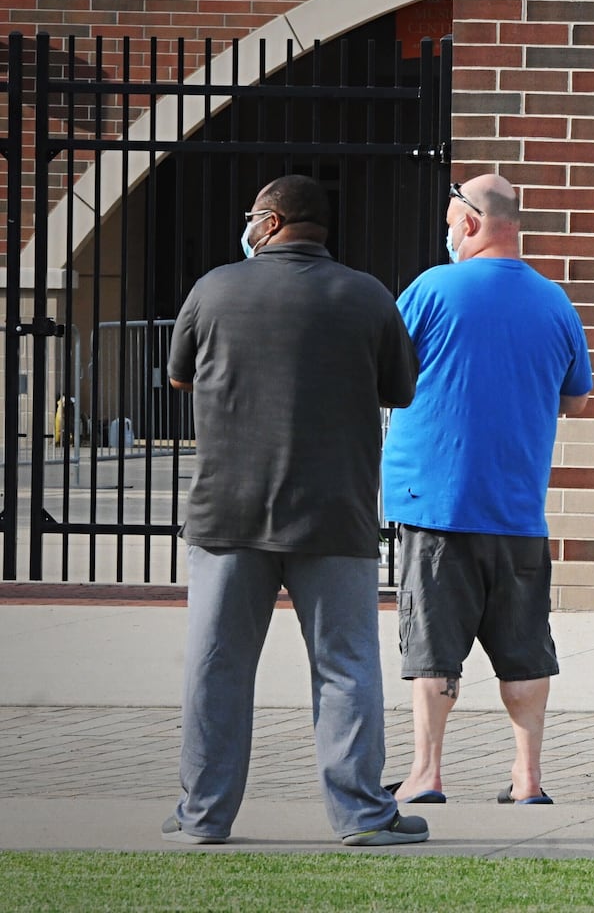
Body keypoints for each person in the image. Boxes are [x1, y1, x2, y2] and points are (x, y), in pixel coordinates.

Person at [162, 174, 426, 846]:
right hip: (333, 515)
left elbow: (179, 374)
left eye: (253, 215)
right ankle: (363, 815)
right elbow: (401, 388)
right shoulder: (367, 296)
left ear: (274, 222)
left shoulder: (214, 288)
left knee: (215, 668)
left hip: (228, 514)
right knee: (345, 668)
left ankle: (202, 817)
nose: (248, 225)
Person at [382, 173, 593, 805]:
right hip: (518, 510)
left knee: (433, 650)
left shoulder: (431, 289)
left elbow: (385, 374)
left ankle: (426, 774)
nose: (448, 233)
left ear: (472, 224)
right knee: (525, 649)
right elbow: (576, 399)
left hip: (436, 505)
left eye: (451, 222)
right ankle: (527, 779)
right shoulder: (556, 301)